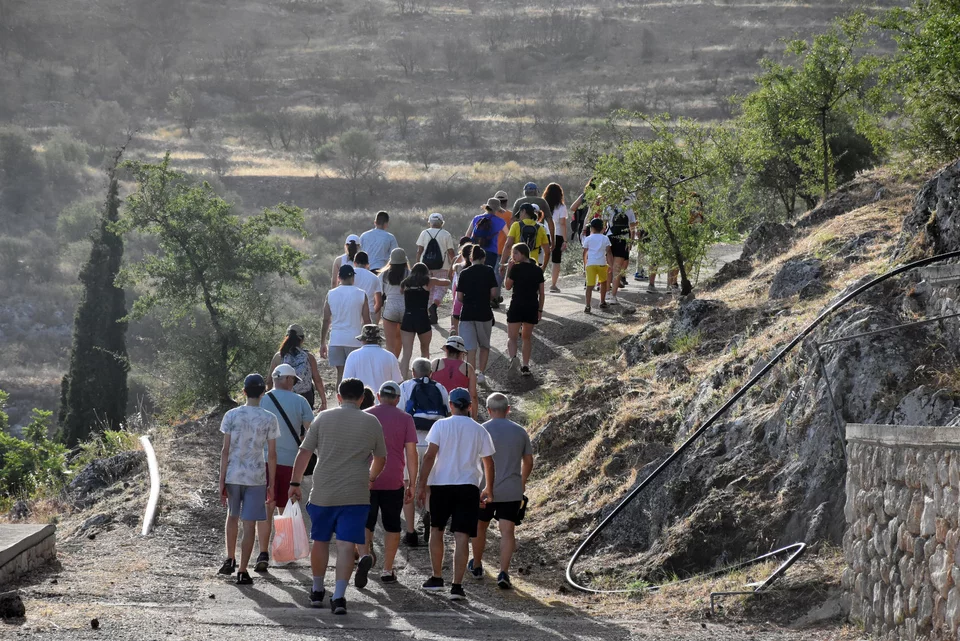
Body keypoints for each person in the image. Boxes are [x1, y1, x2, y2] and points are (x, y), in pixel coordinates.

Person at [288, 378, 387, 615]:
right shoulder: (371, 421)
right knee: (345, 545)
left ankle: (317, 589)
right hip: (356, 493)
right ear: (362, 399)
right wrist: (371, 477)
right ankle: (340, 596)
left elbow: (304, 452)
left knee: (320, 541)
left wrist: (295, 482)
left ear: (339, 396)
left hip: (323, 491)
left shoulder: (323, 418)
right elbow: (381, 457)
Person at [416, 388, 495, 601]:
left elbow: (430, 456)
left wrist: (421, 485)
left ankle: (436, 577)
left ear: (450, 405)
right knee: (462, 537)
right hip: (468, 486)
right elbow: (488, 462)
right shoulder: (479, 430)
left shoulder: (440, 425)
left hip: (441, 484)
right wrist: (488, 488)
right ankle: (457, 586)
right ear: (470, 406)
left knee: (436, 530)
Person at [218, 374, 280, 586]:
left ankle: (230, 558)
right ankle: (243, 570)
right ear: (263, 393)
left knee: (232, 516)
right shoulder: (269, 418)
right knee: (249, 523)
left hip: (233, 474)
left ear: (244, 392)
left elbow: (225, 450)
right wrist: (271, 483)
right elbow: (271, 455)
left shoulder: (231, 415)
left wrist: (221, 480)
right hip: (256, 477)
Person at [470, 393, 534, 590]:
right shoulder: (520, 431)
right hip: (511, 489)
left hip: (484, 489)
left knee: (480, 527)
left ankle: (478, 565)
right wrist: (521, 482)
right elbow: (529, 462)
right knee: (507, 531)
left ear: (488, 410)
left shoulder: (481, 430)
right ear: (508, 409)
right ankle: (504, 572)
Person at [256, 364, 316, 572]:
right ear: (289, 380)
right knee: (286, 508)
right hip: (290, 463)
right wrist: (302, 442)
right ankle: (283, 551)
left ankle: (262, 552)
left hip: (263, 461)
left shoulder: (261, 399)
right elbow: (313, 431)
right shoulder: (300, 401)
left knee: (266, 506)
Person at [362, 381, 418, 582]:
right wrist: (412, 483)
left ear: (378, 396)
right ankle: (387, 569)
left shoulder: (366, 415)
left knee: (365, 521)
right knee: (392, 524)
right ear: (397, 399)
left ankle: (364, 556)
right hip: (393, 479)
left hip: (365, 478)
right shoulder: (405, 418)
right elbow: (411, 453)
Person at [398, 358, 450, 544]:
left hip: (410, 444)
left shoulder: (405, 387)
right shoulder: (441, 388)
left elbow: (400, 415)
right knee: (429, 486)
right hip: (434, 444)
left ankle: (411, 532)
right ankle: (429, 515)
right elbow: (447, 415)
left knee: (408, 486)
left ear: (413, 371)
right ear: (431, 373)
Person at [321, 265, 371, 386]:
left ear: (339, 277)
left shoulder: (331, 294)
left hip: (336, 340)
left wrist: (322, 342)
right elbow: (367, 320)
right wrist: (369, 340)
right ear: (353, 277)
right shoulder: (361, 294)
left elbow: (326, 319)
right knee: (356, 376)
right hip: (355, 340)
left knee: (340, 375)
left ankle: (341, 401)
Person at [399, 263, 450, 379]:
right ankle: (425, 378)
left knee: (406, 353)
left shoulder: (405, 283)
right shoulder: (428, 281)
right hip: (422, 317)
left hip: (408, 317)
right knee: (425, 350)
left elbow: (401, 292)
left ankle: (402, 380)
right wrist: (434, 277)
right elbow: (447, 282)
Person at [457, 245, 499, 386]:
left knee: (470, 347)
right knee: (484, 345)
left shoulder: (464, 273)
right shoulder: (488, 271)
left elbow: (459, 297)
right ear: (484, 258)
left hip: (467, 313)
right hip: (484, 312)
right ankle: (481, 373)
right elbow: (494, 293)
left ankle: (470, 375)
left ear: (470, 258)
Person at [502, 243, 544, 377]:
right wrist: (540, 310)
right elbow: (542, 293)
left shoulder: (516, 268)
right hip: (532, 305)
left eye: (515, 253)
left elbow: (507, 286)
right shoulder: (537, 270)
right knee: (527, 338)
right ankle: (525, 366)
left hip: (517, 304)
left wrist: (509, 270)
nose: (513, 256)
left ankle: (514, 358)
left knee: (512, 337)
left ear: (523, 254)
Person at [266, 324, 327, 411]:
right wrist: (323, 402)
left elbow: (269, 381)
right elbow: (317, 380)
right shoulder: (308, 357)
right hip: (306, 397)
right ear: (302, 340)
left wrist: (270, 399)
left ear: (286, 338)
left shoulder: (279, 356)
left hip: (284, 397)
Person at [415, 213, 457, 325]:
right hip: (442, 266)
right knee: (441, 288)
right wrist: (453, 265)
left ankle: (430, 314)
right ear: (442, 223)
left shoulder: (424, 233)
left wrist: (418, 264)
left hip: (425, 266)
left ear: (429, 222)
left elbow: (419, 250)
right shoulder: (446, 234)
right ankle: (434, 306)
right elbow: (451, 252)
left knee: (428, 288)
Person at [343, 325, 403, 401]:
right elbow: (398, 383)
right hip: (384, 403)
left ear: (363, 340)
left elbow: (346, 383)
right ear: (378, 340)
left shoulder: (353, 356)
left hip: (361, 403)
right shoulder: (389, 356)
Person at [465, 199, 508, 294]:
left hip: (475, 250)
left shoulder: (476, 218)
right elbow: (508, 236)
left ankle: (473, 295)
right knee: (487, 276)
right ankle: (486, 297)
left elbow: (467, 235)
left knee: (474, 275)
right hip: (491, 252)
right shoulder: (500, 221)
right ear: (497, 209)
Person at [431, 335, 478, 419]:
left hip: (436, 408)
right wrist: (474, 418)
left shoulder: (436, 364)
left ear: (446, 350)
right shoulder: (468, 368)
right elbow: (473, 395)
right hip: (458, 409)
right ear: (461, 353)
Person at [501, 203, 550, 272]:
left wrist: (502, 263)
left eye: (520, 213)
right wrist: (543, 266)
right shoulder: (540, 228)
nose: (519, 216)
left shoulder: (516, 225)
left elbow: (508, 245)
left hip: (517, 264)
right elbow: (547, 251)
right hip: (533, 264)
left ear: (523, 211)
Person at [379, 248, 409, 358]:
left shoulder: (383, 275)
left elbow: (380, 294)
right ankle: (396, 359)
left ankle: (390, 363)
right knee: (399, 338)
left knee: (389, 343)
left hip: (390, 308)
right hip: (405, 307)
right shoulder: (409, 273)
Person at [606, 200, 637, 306]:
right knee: (617, 268)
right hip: (622, 239)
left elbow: (604, 225)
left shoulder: (608, 207)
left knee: (608, 267)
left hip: (609, 238)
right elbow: (632, 227)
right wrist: (631, 242)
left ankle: (606, 292)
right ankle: (613, 297)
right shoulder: (629, 207)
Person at [582, 218, 612, 314]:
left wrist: (584, 265)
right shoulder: (605, 238)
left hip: (591, 264)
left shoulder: (588, 238)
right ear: (602, 228)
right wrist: (610, 264)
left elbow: (585, 253)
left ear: (592, 228)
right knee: (603, 282)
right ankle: (602, 302)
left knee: (589, 286)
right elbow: (609, 252)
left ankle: (587, 305)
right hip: (602, 264)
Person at [543, 183, 568, 292]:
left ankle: (537, 283)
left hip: (544, 233)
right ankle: (553, 285)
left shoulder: (543, 205)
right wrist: (565, 240)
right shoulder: (561, 207)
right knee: (556, 260)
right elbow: (562, 224)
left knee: (540, 258)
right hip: (557, 234)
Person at [512, 182, 555, 246]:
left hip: (520, 236)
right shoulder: (542, 202)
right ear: (536, 191)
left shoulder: (519, 202)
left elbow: (513, 220)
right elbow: (550, 221)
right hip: (538, 234)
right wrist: (552, 240)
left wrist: (511, 239)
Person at [449, 240, 473, 336]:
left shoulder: (458, 266)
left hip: (458, 291)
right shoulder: (475, 267)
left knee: (455, 312)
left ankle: (454, 329)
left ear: (462, 255)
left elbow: (453, 267)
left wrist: (459, 256)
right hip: (470, 295)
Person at [352, 252, 383, 324]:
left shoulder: (349, 275)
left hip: (352, 312)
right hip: (369, 311)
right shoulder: (375, 278)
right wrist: (371, 313)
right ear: (368, 264)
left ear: (354, 263)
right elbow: (379, 303)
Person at [493, 190, 514, 257]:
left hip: (491, 251)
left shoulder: (489, 216)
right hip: (506, 251)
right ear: (506, 202)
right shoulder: (511, 215)